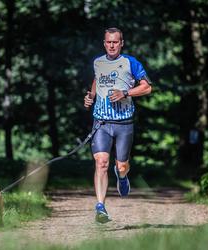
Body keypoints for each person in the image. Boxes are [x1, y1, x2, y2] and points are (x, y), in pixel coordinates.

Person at [84, 27, 152, 223]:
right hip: (101, 122)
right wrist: (90, 97)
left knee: (121, 166)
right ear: (104, 43)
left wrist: (126, 93)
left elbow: (147, 87)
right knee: (101, 162)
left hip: (124, 123)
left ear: (121, 43)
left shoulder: (130, 62)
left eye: (115, 42)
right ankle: (100, 207)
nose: (112, 45)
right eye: (108, 42)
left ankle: (122, 177)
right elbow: (97, 80)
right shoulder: (98, 62)